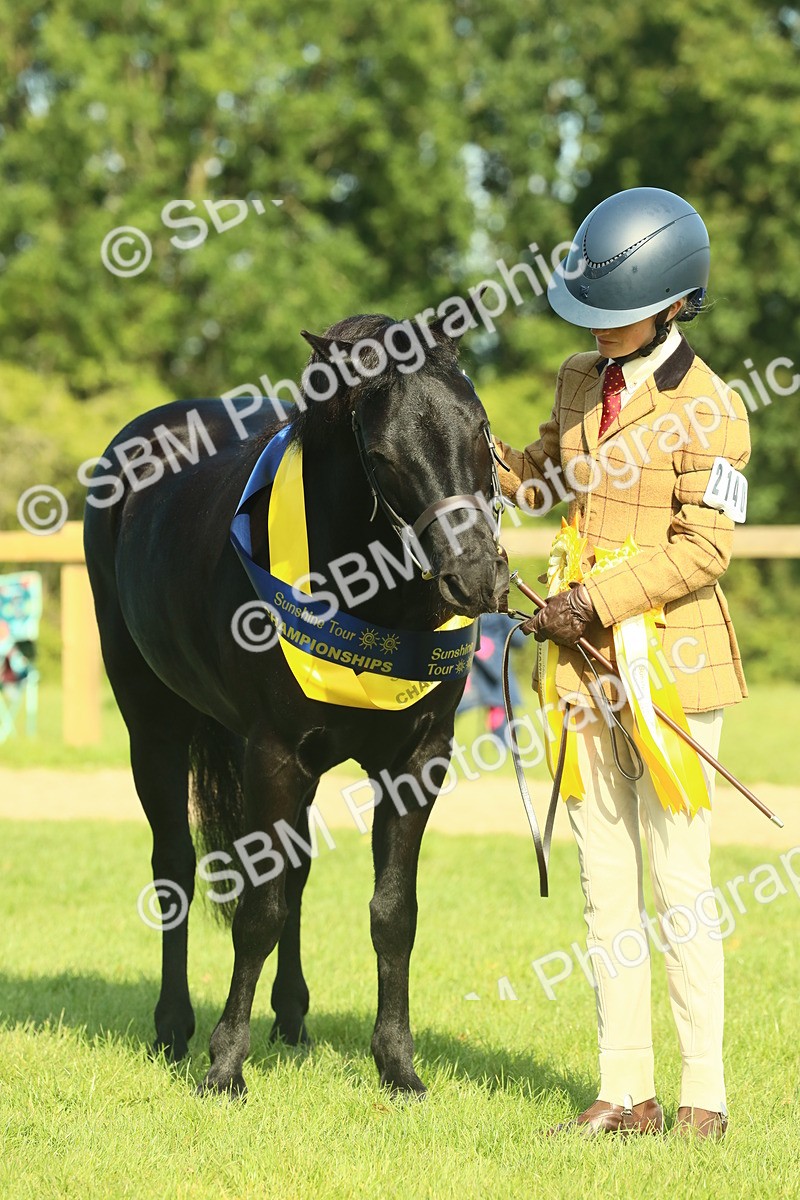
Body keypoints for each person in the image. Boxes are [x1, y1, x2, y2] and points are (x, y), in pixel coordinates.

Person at [493, 187, 750, 1140]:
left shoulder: (714, 407)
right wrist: (474, 450)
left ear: (674, 302)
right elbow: (544, 476)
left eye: (617, 315)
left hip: (670, 669)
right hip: (578, 670)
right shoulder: (573, 377)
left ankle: (703, 1098)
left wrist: (591, 602)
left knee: (678, 883)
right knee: (606, 880)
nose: (597, 333)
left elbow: (705, 550)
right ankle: (623, 1090)